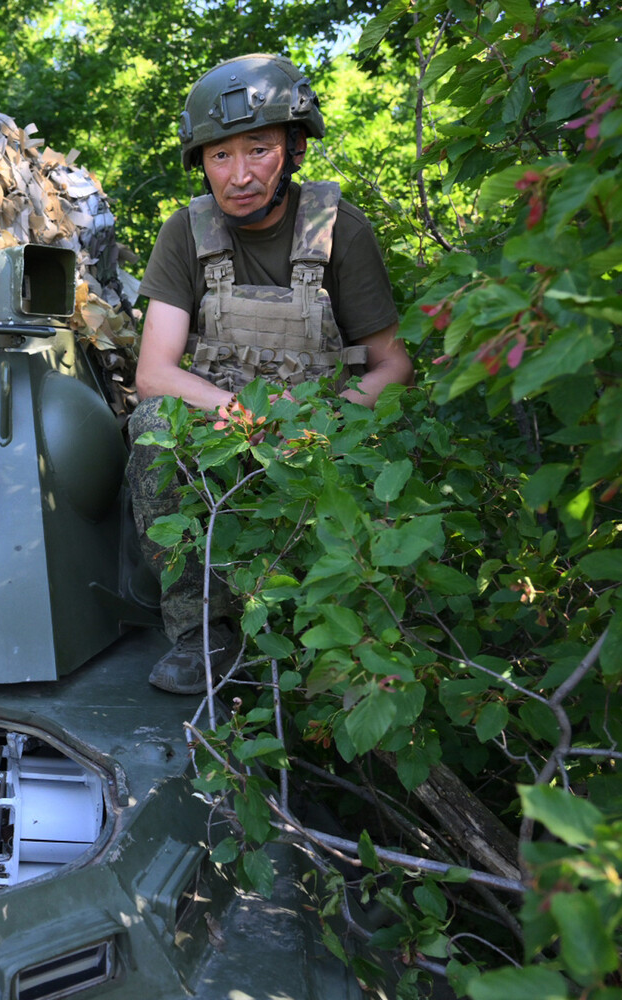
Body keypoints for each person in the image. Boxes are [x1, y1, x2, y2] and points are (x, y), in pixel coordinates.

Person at [129, 53, 412, 694]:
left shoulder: (339, 231)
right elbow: (155, 374)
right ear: (201, 163)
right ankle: (202, 630)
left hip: (323, 428)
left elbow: (393, 365)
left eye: (258, 150)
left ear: (293, 147)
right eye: (219, 156)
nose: (239, 175)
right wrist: (246, 419)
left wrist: (325, 422)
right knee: (151, 425)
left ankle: (342, 619)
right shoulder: (185, 234)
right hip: (222, 429)